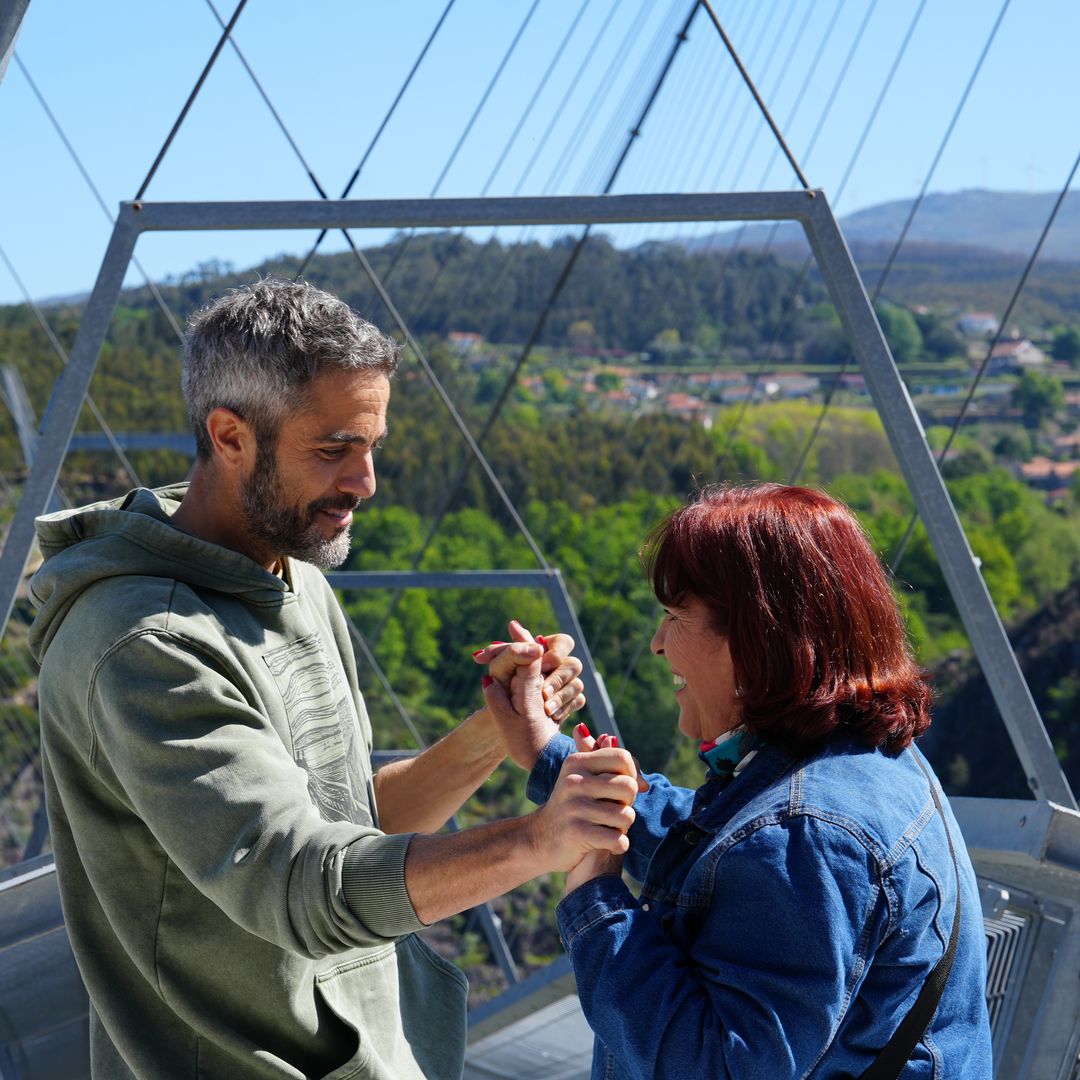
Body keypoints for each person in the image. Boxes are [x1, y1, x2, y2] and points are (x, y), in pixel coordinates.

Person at [29, 278, 640, 1080]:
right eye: (333, 450)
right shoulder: (145, 644)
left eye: (372, 446)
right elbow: (297, 884)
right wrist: (537, 841)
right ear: (230, 436)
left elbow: (350, 821)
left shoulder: (296, 577)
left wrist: (493, 732)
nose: (365, 481)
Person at [482, 484, 993, 1079]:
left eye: (675, 617)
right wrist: (547, 753)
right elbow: (729, 846)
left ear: (756, 639)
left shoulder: (808, 834)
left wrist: (596, 894)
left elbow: (718, 1069)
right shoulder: (863, 757)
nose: (657, 644)